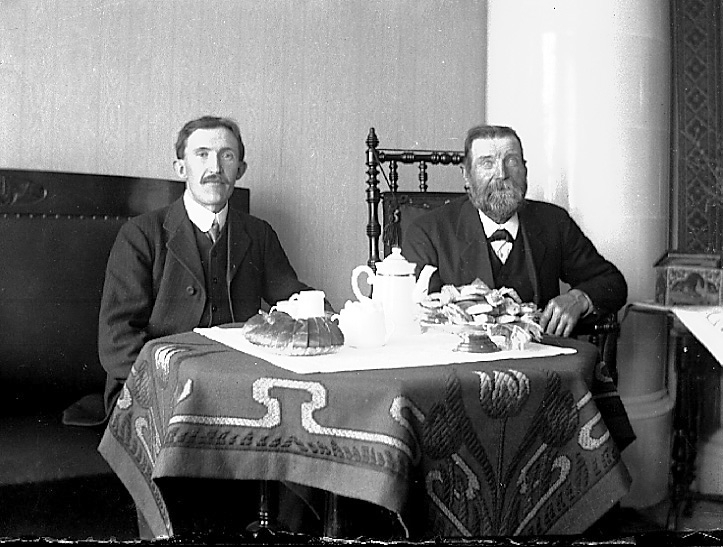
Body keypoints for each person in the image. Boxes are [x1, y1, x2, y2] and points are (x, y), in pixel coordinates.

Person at [98, 115, 324, 415]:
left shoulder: (259, 234)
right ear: (181, 168)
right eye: (202, 154)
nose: (215, 168)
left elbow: (293, 297)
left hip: (240, 388)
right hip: (155, 390)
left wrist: (330, 317)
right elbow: (117, 340)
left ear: (240, 170)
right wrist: (178, 385)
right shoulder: (140, 235)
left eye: (226, 156)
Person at [402, 124, 627, 337]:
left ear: (525, 170)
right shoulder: (427, 232)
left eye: (511, 161)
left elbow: (611, 282)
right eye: (487, 163)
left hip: (541, 356)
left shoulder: (553, 222)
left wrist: (578, 299)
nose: (502, 174)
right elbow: (419, 314)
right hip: (462, 359)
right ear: (466, 175)